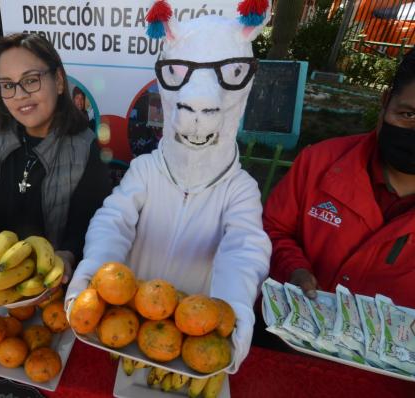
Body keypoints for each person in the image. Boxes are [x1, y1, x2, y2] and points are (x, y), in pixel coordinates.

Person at [66, 2, 272, 374]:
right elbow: (114, 220)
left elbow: (244, 249)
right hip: (125, 323)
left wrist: (232, 310)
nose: (200, 110)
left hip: (193, 338)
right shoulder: (145, 170)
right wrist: (92, 273)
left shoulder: (240, 189)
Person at [0, 33, 112, 278]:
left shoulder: (86, 149)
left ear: (58, 81)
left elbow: (86, 228)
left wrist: (67, 255)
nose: (19, 95)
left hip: (50, 290)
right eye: (7, 85)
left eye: (31, 80)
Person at [264, 48, 415, 307]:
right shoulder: (320, 162)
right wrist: (294, 267)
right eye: (408, 115)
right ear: (386, 101)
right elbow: (272, 228)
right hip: (284, 332)